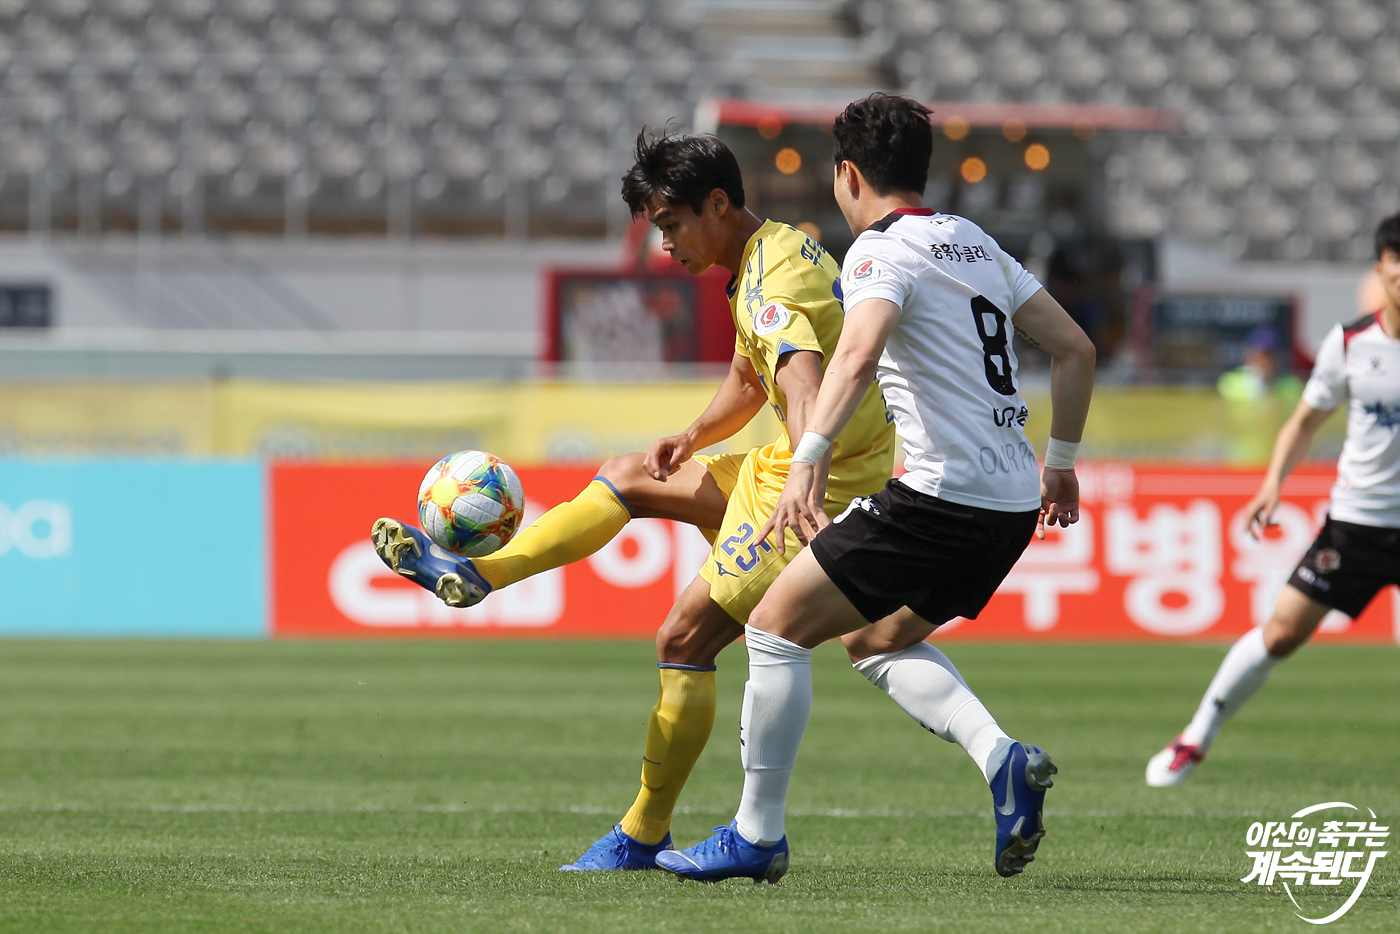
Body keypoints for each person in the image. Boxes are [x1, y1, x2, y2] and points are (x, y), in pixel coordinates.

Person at [371, 129, 900, 870]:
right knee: (628, 474)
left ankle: (644, 835)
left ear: (718, 204)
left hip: (814, 490)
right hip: (799, 467)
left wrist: (803, 480)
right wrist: (692, 436)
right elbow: (750, 378)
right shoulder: (770, 252)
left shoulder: (771, 281)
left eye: (672, 224)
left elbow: (802, 380)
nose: (665, 245)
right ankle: (482, 575)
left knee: (685, 641)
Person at [654, 93, 1097, 883]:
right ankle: (1002, 760)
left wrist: (807, 458)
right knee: (874, 639)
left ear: (847, 174)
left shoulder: (875, 252)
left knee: (773, 629)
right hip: (1009, 505)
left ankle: (756, 836)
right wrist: (1060, 460)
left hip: (939, 497)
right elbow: (1076, 348)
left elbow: (856, 357)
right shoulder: (974, 240)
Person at [1146, 213, 1400, 787]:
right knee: (1281, 632)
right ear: (1380, 269)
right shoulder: (1350, 344)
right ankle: (1194, 739)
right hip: (1358, 523)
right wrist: (1272, 484)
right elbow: (1304, 421)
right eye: (1396, 259)